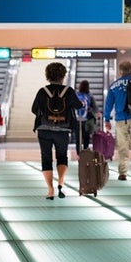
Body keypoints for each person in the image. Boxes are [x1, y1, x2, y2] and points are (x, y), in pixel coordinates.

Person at [31, 61, 82, 200]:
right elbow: (78, 105)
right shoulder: (69, 91)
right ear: (63, 75)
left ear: (48, 75)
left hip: (44, 129)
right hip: (63, 129)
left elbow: (34, 109)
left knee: (46, 158)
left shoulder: (42, 91)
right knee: (62, 156)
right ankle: (60, 183)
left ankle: (50, 190)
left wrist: (47, 114)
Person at [74, 80, 96, 154]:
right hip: (86, 120)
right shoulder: (90, 95)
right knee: (86, 137)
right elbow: (95, 107)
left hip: (77, 120)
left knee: (78, 137)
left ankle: (78, 153)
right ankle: (85, 152)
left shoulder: (76, 95)